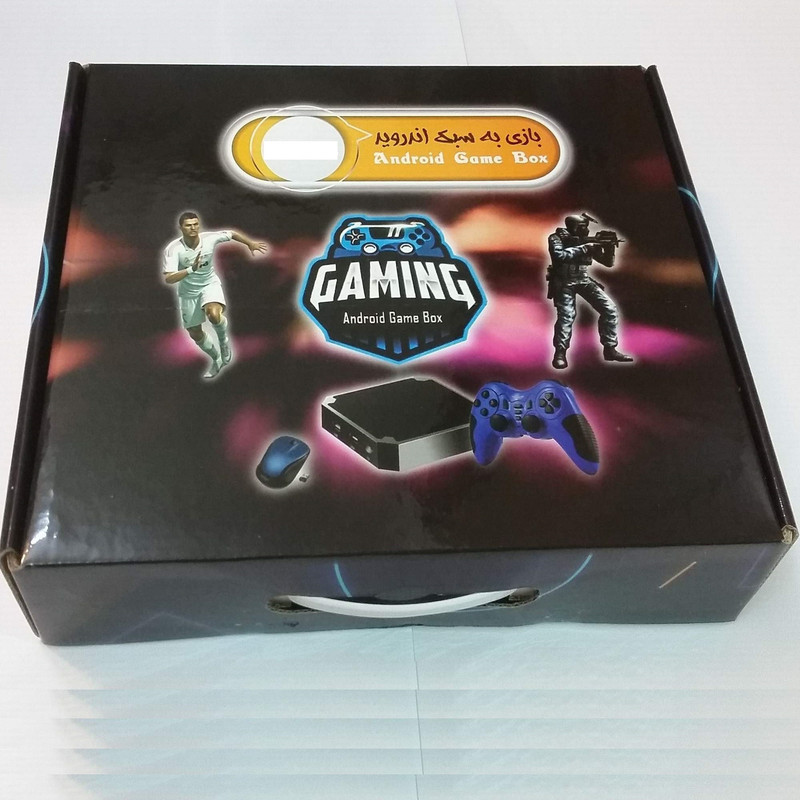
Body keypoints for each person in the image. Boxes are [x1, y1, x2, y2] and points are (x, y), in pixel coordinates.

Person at [163, 211, 269, 378]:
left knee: (213, 314)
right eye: (188, 225)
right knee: (195, 332)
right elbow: (169, 278)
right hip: (188, 293)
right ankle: (216, 359)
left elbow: (231, 234)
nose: (193, 228)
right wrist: (191, 269)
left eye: (195, 224)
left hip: (209, 284)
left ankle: (224, 343)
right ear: (180, 228)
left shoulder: (209, 239)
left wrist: (250, 243)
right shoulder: (173, 249)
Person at [546, 213, 633, 370]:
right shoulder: (556, 238)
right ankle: (560, 353)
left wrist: (609, 248)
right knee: (566, 316)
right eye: (581, 227)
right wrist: (585, 248)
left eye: (586, 227)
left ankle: (610, 349)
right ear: (572, 227)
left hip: (583, 279)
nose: (585, 230)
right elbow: (559, 256)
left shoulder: (587, 242)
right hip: (564, 281)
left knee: (610, 309)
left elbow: (607, 263)